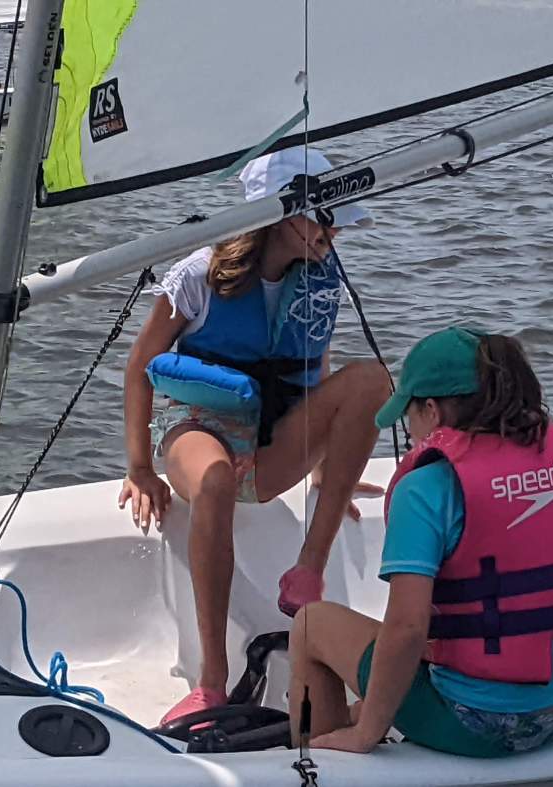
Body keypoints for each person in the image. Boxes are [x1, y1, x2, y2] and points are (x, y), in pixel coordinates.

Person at [120, 147, 390, 726]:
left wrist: (325, 464)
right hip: (199, 430)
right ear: (280, 214)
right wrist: (140, 469)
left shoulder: (321, 281)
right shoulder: (198, 275)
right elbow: (140, 364)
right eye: (324, 217)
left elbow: (315, 374)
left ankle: (308, 568)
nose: (333, 230)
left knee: (372, 380)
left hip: (273, 443)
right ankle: (212, 683)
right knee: (215, 478)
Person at [288, 327, 553, 757]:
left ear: (431, 411)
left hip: (478, 726)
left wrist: (368, 732)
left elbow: (407, 628)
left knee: (309, 625)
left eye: (408, 415)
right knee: (380, 691)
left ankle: (316, 760)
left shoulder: (427, 488)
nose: (409, 428)